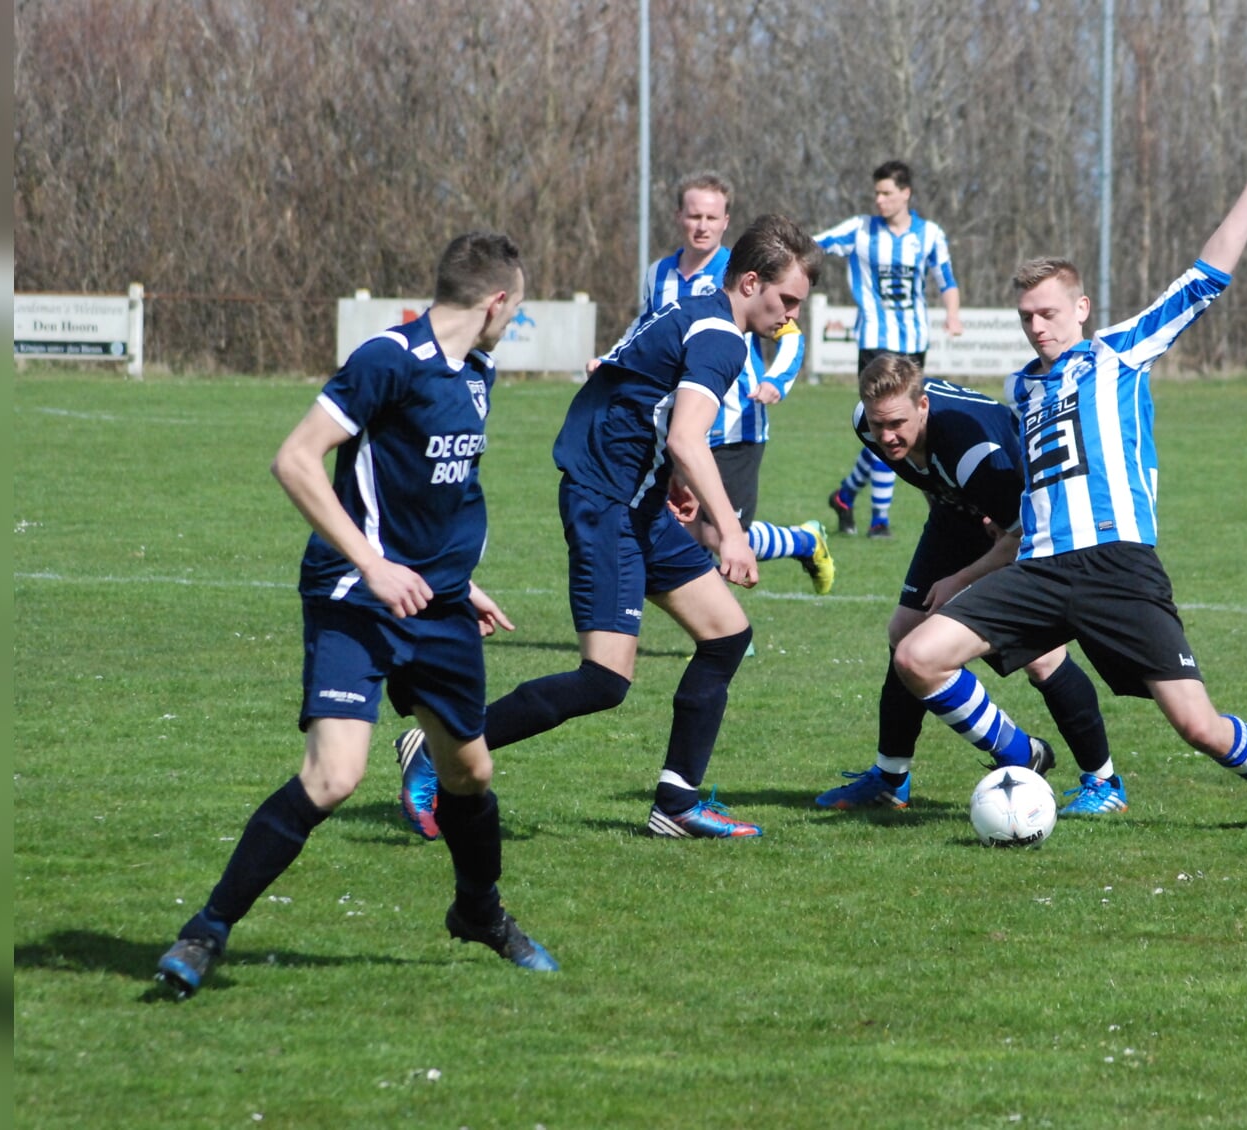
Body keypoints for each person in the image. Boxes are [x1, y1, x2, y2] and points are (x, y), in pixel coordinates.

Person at [891, 128, 1247, 832]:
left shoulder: (1120, 352)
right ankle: (1021, 754)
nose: (1037, 327)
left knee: (1197, 726)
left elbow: (1205, 279)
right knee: (916, 655)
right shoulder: (1022, 389)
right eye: (1026, 317)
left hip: (1118, 567)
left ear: (1081, 309)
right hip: (1041, 569)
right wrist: (962, 579)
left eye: (1049, 313)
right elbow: (1026, 509)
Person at [155, 232, 554, 1000]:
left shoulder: (477, 370)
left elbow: (439, 490)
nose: (514, 320)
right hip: (354, 595)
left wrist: (455, 581)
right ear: (498, 300)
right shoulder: (388, 358)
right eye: (518, 306)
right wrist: (373, 564)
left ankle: (479, 912)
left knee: (470, 771)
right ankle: (205, 931)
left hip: (435, 603)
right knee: (335, 777)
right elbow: (297, 460)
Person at [400, 214, 822, 842]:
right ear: (751, 281)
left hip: (634, 501)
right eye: (786, 300)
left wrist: (669, 483)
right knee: (603, 680)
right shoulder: (722, 337)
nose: (790, 317)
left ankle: (675, 803)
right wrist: (727, 531)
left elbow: (631, 395)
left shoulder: (692, 309)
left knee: (727, 634)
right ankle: (436, 746)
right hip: (606, 505)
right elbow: (684, 434)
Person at [814, 355, 1119, 812]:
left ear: (923, 406)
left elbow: (1019, 534)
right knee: (905, 635)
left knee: (1041, 656)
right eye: (879, 425)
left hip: (1026, 527)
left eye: (897, 423)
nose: (886, 436)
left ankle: (1104, 784)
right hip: (960, 514)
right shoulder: (868, 424)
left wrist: (959, 577)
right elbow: (926, 472)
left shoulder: (974, 453)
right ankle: (891, 779)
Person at [596, 172, 833, 596]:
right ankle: (724, 625)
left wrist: (777, 379)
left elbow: (791, 335)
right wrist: (613, 359)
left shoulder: (745, 273)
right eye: (694, 216)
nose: (702, 225)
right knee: (686, 528)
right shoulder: (659, 274)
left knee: (717, 532)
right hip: (679, 422)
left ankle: (798, 548)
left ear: (726, 221)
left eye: (712, 216)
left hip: (736, 423)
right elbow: (645, 327)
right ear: (679, 218)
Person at [815, 160, 962, 538]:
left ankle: (846, 495)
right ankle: (879, 519)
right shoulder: (860, 229)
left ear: (905, 193)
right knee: (887, 422)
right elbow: (814, 245)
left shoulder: (929, 234)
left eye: (886, 193)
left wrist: (953, 314)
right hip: (875, 343)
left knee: (902, 427)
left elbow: (945, 277)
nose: (879, 200)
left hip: (914, 344)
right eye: (876, 193)